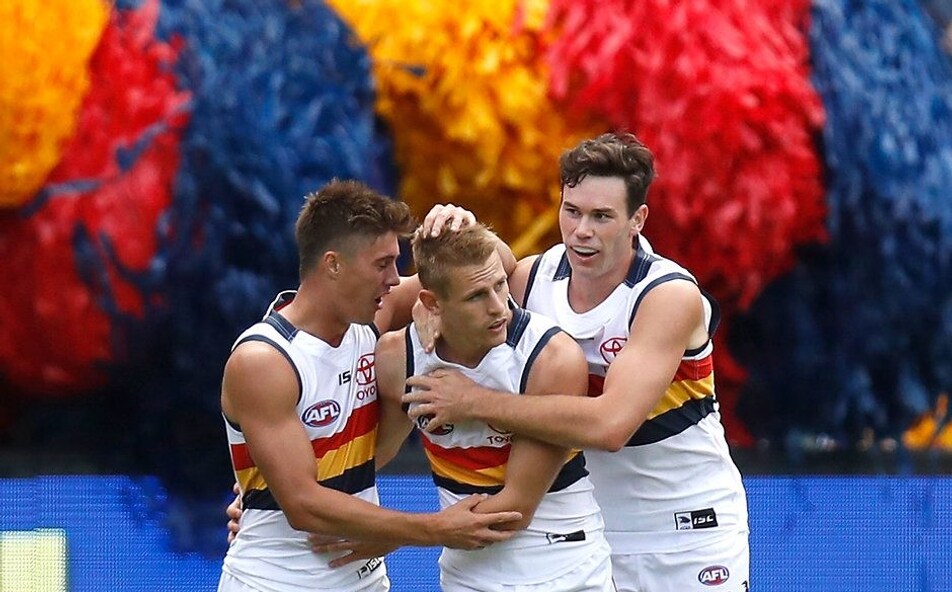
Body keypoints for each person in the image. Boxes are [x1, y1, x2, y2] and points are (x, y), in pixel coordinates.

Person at [403, 133, 751, 592]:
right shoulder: (534, 278)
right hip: (595, 534)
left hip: (687, 531)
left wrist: (474, 401)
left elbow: (610, 426)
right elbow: (446, 289)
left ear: (637, 220)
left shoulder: (667, 295)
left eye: (601, 216)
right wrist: (451, 248)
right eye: (572, 211)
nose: (582, 230)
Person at [218, 179, 522, 592]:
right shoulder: (265, 360)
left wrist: (463, 225)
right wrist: (436, 528)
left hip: (365, 579)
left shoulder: (370, 321)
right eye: (383, 264)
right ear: (333, 264)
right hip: (277, 582)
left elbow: (500, 267)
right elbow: (304, 505)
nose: (395, 280)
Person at [363, 223, 614, 591]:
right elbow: (371, 458)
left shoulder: (551, 358)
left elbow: (516, 509)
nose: (499, 308)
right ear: (432, 303)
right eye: (477, 296)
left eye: (500, 285)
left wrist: (399, 533)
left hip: (564, 568)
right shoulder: (397, 357)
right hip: (465, 574)